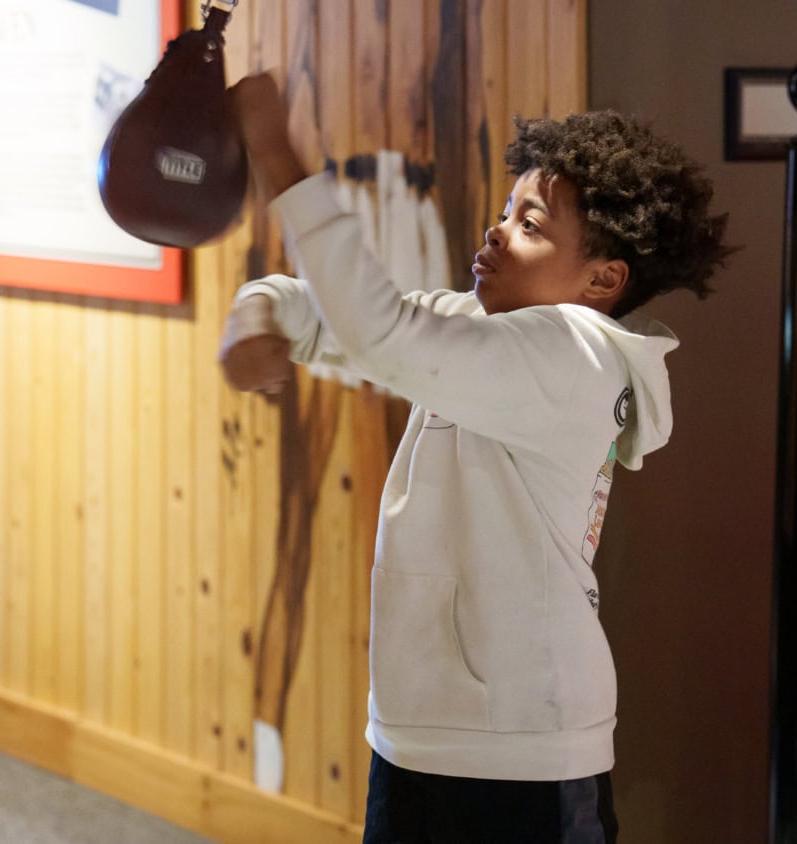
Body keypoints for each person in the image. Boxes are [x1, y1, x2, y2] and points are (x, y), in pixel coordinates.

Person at [220, 72, 733, 843]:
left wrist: (278, 158)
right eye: (504, 212)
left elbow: (376, 332)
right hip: (424, 730)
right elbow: (324, 311)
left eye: (529, 225)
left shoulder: (574, 355)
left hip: (522, 755)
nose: (496, 232)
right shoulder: (476, 329)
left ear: (603, 279)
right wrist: (257, 315)